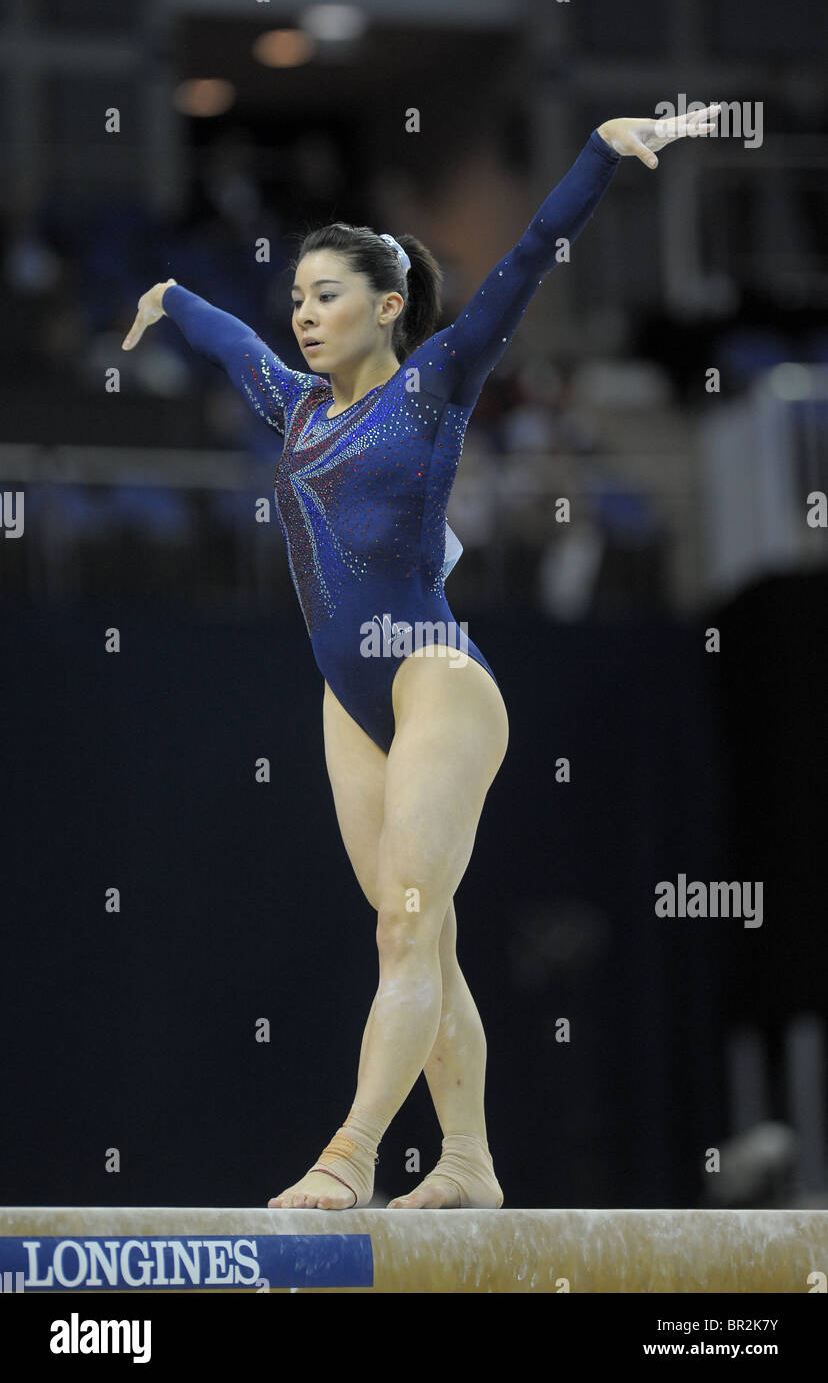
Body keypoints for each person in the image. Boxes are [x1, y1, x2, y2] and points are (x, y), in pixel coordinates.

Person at [122, 106, 721, 1211]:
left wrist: (595, 153)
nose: (303, 316)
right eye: (296, 297)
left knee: (407, 919)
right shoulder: (290, 405)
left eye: (327, 295)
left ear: (388, 306)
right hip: (347, 700)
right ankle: (470, 1163)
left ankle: (349, 1156)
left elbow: (528, 260)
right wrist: (172, 301)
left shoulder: (434, 385)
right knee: (420, 935)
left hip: (434, 679)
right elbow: (229, 341)